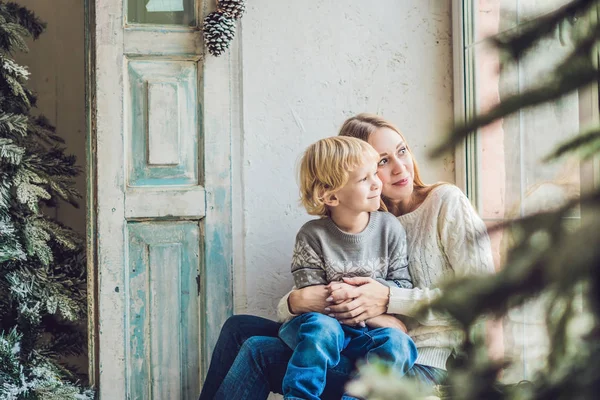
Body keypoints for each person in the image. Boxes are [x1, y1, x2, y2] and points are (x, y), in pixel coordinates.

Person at [198, 113, 495, 400]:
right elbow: (318, 284)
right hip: (357, 339)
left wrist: (388, 300)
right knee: (238, 328)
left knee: (258, 351)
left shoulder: (445, 202)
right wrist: (293, 302)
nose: (400, 168)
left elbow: (485, 298)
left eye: (402, 151)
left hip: (423, 360)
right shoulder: (362, 216)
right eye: (382, 161)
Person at [279, 136, 416, 400]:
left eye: (374, 173)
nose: (377, 183)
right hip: (320, 326)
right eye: (365, 179)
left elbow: (401, 285)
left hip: (367, 333)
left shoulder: (389, 228)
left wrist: (363, 302)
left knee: (399, 343)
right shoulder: (312, 235)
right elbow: (312, 297)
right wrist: (348, 299)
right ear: (330, 196)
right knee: (322, 329)